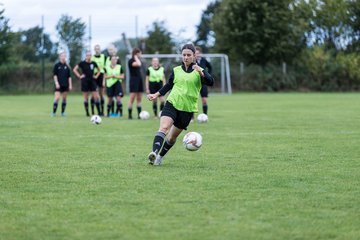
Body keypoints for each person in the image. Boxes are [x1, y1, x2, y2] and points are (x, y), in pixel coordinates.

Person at [147, 43, 214, 166]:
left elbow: (211, 82)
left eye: (189, 55)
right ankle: (154, 153)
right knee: (164, 128)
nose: (186, 57)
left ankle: (160, 157)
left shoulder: (199, 71)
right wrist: (156, 94)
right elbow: (169, 85)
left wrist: (201, 72)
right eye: (184, 55)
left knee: (172, 138)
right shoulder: (176, 70)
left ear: (194, 56)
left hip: (187, 110)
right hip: (172, 103)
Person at [73, 50, 101, 116]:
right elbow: (74, 69)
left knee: (96, 97)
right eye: (87, 55)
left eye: (90, 55)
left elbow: (99, 70)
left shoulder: (93, 63)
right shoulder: (82, 63)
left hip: (92, 80)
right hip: (85, 81)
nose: (89, 56)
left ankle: (99, 112)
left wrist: (96, 76)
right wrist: (79, 76)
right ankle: (87, 112)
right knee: (86, 98)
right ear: (85, 56)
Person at [52, 51, 72, 117]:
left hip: (65, 85)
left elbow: (69, 77)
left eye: (64, 56)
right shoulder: (57, 65)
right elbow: (55, 75)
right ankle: (54, 112)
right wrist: (56, 83)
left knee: (64, 99)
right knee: (57, 98)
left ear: (65, 57)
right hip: (59, 85)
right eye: (62, 56)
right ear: (60, 57)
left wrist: (70, 85)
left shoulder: (67, 66)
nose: (63, 57)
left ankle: (62, 113)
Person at [195, 46, 212, 115]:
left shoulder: (204, 60)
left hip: (203, 83)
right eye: (196, 53)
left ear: (200, 53)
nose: (197, 55)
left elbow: (210, 67)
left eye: (198, 53)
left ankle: (205, 115)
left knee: (204, 100)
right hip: (194, 83)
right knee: (192, 101)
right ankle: (191, 118)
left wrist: (208, 75)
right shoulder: (193, 62)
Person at [128, 48, 144, 119]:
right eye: (140, 53)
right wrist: (135, 57)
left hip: (139, 80)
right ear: (136, 53)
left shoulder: (138, 60)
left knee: (139, 98)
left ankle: (139, 115)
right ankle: (130, 115)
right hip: (134, 81)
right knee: (132, 99)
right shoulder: (131, 61)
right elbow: (138, 64)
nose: (141, 55)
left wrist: (136, 57)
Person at [91, 44, 106, 116]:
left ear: (100, 50)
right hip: (94, 77)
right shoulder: (92, 57)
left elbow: (105, 69)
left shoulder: (104, 57)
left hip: (101, 76)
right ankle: (93, 111)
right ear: (94, 50)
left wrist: (104, 80)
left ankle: (102, 111)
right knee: (94, 94)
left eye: (98, 49)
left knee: (101, 95)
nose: (97, 50)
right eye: (96, 49)